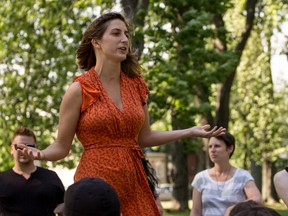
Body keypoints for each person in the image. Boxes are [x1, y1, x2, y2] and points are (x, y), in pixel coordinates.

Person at [17, 12, 226, 216]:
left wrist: (189, 131)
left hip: (134, 180)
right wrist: (41, 154)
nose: (124, 39)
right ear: (96, 42)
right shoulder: (80, 89)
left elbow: (145, 137)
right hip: (95, 182)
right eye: (116, 33)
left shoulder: (136, 85)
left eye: (126, 34)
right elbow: (62, 147)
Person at [190, 131, 262, 216]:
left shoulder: (243, 176)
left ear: (230, 148)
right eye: (210, 147)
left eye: (217, 146)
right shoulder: (200, 178)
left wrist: (233, 208)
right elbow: (195, 211)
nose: (212, 150)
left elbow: (257, 199)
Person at [0, 126, 65, 216]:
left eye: (29, 146)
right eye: (19, 147)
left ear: (36, 148)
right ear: (11, 149)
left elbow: (63, 210)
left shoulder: (51, 177)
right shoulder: (1, 180)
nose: (24, 150)